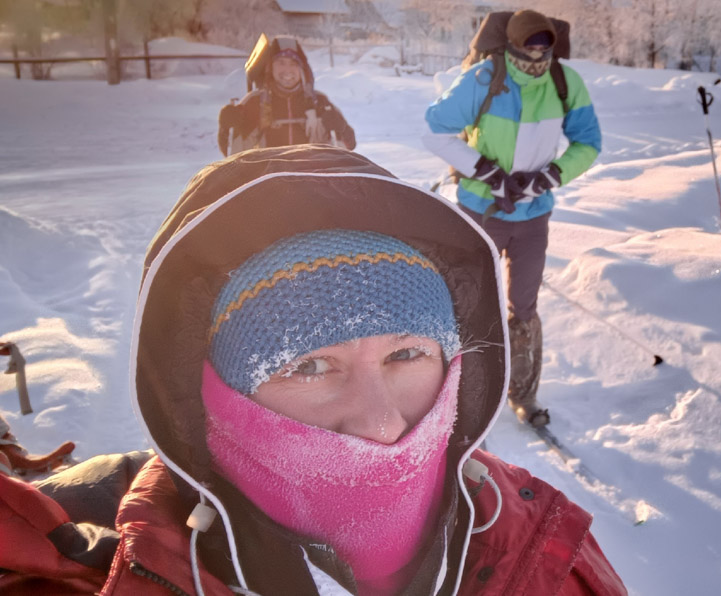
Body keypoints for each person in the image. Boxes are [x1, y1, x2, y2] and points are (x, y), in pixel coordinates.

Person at [0, 145, 626, 595]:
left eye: (407, 354)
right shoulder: (73, 567)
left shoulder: (547, 548)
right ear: (209, 392)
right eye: (310, 365)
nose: (382, 425)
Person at [423, 9, 602, 427]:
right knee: (469, 302)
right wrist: (488, 173)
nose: (538, 55)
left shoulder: (564, 82)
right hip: (482, 210)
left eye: (545, 47)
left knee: (524, 307)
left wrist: (548, 177)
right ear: (513, 43)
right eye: (530, 46)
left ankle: (524, 394)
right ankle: (461, 396)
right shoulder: (485, 79)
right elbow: (434, 130)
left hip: (533, 215)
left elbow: (589, 142)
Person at [217, 35, 356, 156]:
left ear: (302, 69)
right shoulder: (254, 102)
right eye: (281, 63)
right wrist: (225, 129)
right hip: (269, 181)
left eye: (293, 63)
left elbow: (350, 146)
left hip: (312, 181)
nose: (287, 70)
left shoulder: (320, 102)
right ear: (270, 67)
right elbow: (230, 154)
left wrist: (341, 127)